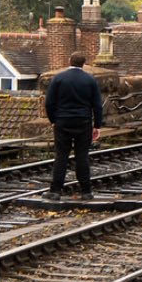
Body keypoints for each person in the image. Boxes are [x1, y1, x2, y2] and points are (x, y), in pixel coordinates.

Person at [44, 52, 104, 201]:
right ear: (84, 63)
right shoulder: (90, 80)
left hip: (62, 121)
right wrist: (97, 125)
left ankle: (56, 191)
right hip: (83, 122)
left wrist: (53, 120)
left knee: (61, 156)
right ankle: (86, 192)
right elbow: (97, 105)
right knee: (82, 156)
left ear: (69, 60)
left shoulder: (58, 78)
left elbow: (49, 102)